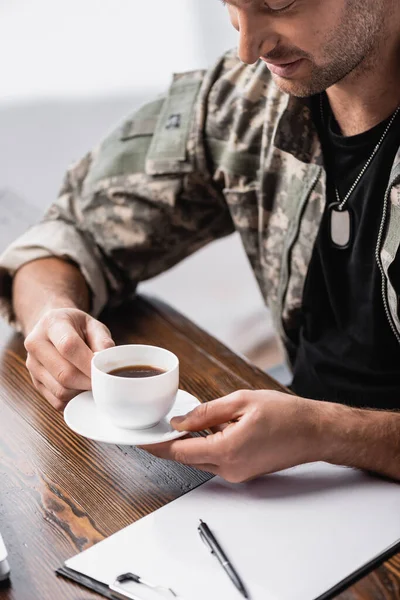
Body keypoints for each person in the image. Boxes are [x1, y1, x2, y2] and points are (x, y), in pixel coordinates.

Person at [1, 0, 400, 484]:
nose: (248, 47)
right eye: (231, 5)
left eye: (278, 3)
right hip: (294, 486)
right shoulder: (244, 100)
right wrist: (51, 319)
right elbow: (69, 233)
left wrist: (329, 433)